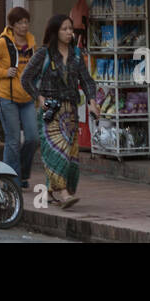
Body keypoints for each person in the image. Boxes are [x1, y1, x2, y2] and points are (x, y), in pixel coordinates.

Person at [22, 12, 99, 208]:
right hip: (50, 112)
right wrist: (39, 98)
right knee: (58, 151)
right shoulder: (44, 54)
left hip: (70, 111)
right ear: (55, 31)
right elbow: (26, 78)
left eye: (70, 29)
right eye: (64, 29)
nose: (68, 32)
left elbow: (87, 81)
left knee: (70, 153)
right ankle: (63, 194)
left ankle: (48, 192)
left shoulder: (76, 55)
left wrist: (91, 101)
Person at [0, 6, 39, 188]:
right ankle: (10, 181)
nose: (24, 26)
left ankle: (21, 172)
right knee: (12, 141)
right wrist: (4, 72)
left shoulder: (31, 42)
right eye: (20, 23)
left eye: (26, 22)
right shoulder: (3, 43)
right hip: (7, 97)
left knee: (33, 138)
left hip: (27, 97)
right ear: (12, 25)